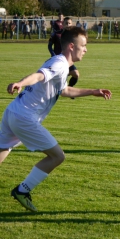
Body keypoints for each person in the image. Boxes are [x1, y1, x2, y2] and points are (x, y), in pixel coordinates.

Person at [0, 26, 112, 212]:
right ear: (70, 46)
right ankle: (22, 190)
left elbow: (65, 90)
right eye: (83, 45)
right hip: (24, 117)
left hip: (13, 112)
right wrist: (20, 83)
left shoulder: (61, 65)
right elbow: (38, 76)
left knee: (2, 149)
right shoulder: (60, 64)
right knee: (57, 156)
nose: (86, 49)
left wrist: (93, 92)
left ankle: (22, 190)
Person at [48, 17, 80, 90]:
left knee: (76, 74)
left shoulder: (73, 36)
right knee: (51, 78)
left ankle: (69, 88)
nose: (68, 25)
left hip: (68, 61)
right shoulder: (56, 34)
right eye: (66, 23)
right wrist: (53, 55)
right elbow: (50, 46)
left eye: (69, 23)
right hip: (58, 60)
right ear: (62, 24)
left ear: (72, 24)